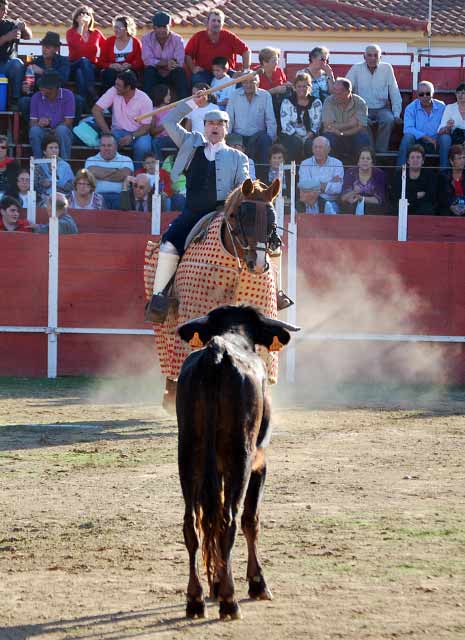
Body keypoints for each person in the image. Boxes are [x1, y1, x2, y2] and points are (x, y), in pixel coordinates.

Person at [148, 103, 249, 319]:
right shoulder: (190, 144)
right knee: (169, 243)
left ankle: (272, 291)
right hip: (194, 211)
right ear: (203, 127)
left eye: (220, 124)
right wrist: (193, 103)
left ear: (226, 129)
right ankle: (159, 298)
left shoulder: (238, 158)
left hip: (224, 214)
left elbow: (244, 189)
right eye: (210, 123)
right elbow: (168, 121)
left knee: (259, 239)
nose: (215, 127)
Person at [346, 44, 402, 153]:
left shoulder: (387, 68)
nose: (372, 58)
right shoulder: (356, 68)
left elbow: (394, 92)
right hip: (362, 109)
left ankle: (381, 152)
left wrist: (396, 114)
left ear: (380, 57)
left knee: (389, 120)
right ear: (364, 56)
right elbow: (346, 88)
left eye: (375, 55)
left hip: (382, 108)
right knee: (362, 121)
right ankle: (370, 153)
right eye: (369, 55)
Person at [91, 69, 152, 166]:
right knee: (107, 143)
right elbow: (96, 110)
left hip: (138, 133)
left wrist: (132, 136)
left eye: (119, 85)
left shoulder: (145, 99)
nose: (116, 87)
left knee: (143, 146)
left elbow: (146, 127)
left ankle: (138, 176)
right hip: (117, 132)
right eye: (116, 84)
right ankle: (109, 171)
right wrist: (107, 133)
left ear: (128, 87)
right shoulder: (113, 91)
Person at [185, 9, 250, 85]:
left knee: (240, 81)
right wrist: (193, 68)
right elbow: (187, 55)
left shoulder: (229, 36)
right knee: (197, 80)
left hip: (226, 72)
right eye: (213, 20)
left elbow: (246, 51)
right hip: (205, 73)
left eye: (219, 21)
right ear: (207, 22)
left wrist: (245, 71)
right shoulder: (198, 37)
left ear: (222, 24)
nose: (216, 23)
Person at [226, 73, 277, 168]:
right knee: (232, 142)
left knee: (266, 140)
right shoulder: (234, 95)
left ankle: (263, 178)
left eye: (252, 81)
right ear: (241, 83)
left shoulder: (265, 95)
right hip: (238, 135)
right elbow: (229, 118)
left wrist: (272, 139)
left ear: (258, 83)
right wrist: (226, 137)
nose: (248, 85)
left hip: (258, 136)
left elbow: (270, 119)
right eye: (245, 82)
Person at [322, 77, 370, 163]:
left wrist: (341, 132)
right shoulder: (329, 101)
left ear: (348, 92)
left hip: (353, 135)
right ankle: (331, 168)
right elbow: (327, 126)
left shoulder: (360, 102)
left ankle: (359, 168)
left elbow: (361, 127)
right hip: (335, 136)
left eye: (339, 93)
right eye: (334, 91)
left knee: (363, 137)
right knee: (328, 138)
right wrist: (350, 124)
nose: (335, 95)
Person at [28, 70, 75, 160]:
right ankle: (39, 165)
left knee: (62, 130)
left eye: (43, 86)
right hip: (43, 131)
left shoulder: (68, 95)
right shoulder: (36, 97)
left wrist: (55, 129)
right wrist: (39, 123)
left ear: (53, 88)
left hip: (61, 130)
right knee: (34, 131)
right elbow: (32, 123)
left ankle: (64, 165)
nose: (40, 88)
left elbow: (68, 121)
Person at [141, 11, 187, 100]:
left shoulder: (177, 39)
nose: (162, 30)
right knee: (148, 71)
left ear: (170, 26)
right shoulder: (146, 39)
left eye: (164, 27)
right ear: (154, 27)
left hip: (171, 73)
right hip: (155, 73)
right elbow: (147, 60)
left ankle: (184, 104)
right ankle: (147, 105)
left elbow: (179, 61)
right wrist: (166, 63)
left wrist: (163, 63)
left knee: (180, 72)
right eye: (158, 27)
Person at [397, 81, 445, 167]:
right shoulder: (410, 108)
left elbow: (444, 125)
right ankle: (400, 172)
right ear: (417, 95)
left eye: (428, 93)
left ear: (432, 93)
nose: (425, 97)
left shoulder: (442, 106)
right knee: (407, 137)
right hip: (418, 142)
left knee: (445, 138)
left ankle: (445, 171)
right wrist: (427, 138)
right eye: (421, 94)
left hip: (437, 142)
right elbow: (407, 129)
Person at [66, 6, 106, 108]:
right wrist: (80, 26)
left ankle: (83, 103)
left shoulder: (96, 33)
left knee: (81, 72)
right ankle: (93, 93)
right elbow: (76, 45)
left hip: (92, 67)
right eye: (81, 14)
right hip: (74, 64)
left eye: (87, 14)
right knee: (82, 62)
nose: (84, 16)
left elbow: (106, 48)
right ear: (76, 18)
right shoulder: (70, 32)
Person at [279, 72, 322, 161]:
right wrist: (298, 138)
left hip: (310, 135)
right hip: (290, 135)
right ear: (294, 88)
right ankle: (290, 173)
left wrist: (306, 138)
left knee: (311, 145)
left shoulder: (316, 102)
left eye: (305, 86)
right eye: (299, 86)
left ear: (309, 88)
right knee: (295, 144)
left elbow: (317, 124)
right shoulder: (287, 102)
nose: (302, 89)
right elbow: (285, 124)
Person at [84, 133, 133, 209]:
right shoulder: (90, 160)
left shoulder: (126, 159)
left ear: (116, 147)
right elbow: (92, 172)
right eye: (103, 145)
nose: (106, 148)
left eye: (109, 145)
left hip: (119, 196)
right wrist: (116, 170)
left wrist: (100, 174)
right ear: (99, 147)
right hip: (97, 196)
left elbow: (123, 175)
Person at [298, 136, 343, 214]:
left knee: (330, 208)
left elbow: (337, 189)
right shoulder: (305, 164)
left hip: (330, 202)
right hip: (309, 201)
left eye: (321, 147)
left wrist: (313, 185)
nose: (317, 150)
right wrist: (328, 183)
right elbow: (305, 187)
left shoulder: (337, 163)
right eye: (315, 147)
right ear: (312, 149)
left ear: (328, 149)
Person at [0, 0, 32, 110]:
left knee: (17, 63)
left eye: (5, 10)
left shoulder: (10, 24)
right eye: (1, 9)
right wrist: (5, 38)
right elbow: (6, 38)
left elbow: (28, 36)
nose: (3, 12)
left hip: (8, 65)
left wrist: (23, 27)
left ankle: (15, 100)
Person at [98, 15, 143, 92]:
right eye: (115, 27)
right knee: (109, 73)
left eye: (119, 28)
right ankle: (108, 99)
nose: (116, 30)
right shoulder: (109, 41)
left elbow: (140, 62)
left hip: (128, 71)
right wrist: (110, 65)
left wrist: (130, 65)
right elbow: (100, 61)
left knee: (128, 75)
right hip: (112, 71)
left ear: (127, 29)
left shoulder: (135, 42)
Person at [341, 147, 386, 215]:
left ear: (372, 163)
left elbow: (378, 200)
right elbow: (343, 198)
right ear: (358, 162)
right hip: (353, 207)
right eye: (362, 158)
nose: (365, 161)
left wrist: (361, 198)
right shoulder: (350, 172)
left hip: (373, 208)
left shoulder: (379, 174)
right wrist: (353, 192)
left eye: (368, 158)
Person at [393, 145, 436, 215]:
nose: (415, 160)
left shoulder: (430, 175)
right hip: (404, 207)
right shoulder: (400, 174)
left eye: (418, 157)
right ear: (408, 161)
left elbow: (431, 196)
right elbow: (396, 195)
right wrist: (416, 195)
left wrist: (409, 197)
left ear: (423, 161)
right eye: (412, 157)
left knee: (427, 208)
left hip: (422, 208)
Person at [35, 135, 74, 206]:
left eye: (56, 148)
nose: (54, 150)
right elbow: (35, 187)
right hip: (43, 202)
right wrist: (42, 185)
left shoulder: (65, 166)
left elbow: (71, 186)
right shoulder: (38, 167)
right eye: (51, 148)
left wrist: (52, 183)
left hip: (63, 201)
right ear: (44, 151)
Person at [437, 83, 465, 171]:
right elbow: (440, 131)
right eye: (458, 93)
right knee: (444, 138)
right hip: (454, 139)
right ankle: (444, 172)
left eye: (463, 93)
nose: (460, 95)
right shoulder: (450, 108)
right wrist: (447, 127)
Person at [437, 145, 465, 216]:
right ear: (451, 161)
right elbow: (441, 197)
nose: (462, 160)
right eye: (459, 158)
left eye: (463, 157)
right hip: (449, 207)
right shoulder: (443, 176)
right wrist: (451, 206)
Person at [150, 83, 174, 160]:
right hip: (160, 139)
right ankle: (158, 168)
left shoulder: (173, 109)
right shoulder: (153, 111)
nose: (170, 97)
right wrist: (166, 124)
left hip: (173, 138)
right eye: (167, 95)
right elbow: (152, 131)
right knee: (155, 142)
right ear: (161, 95)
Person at [0, 133, 19, 198]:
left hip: (10, 200)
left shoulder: (14, 164)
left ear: (7, 149)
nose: (0, 150)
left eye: (3, 147)